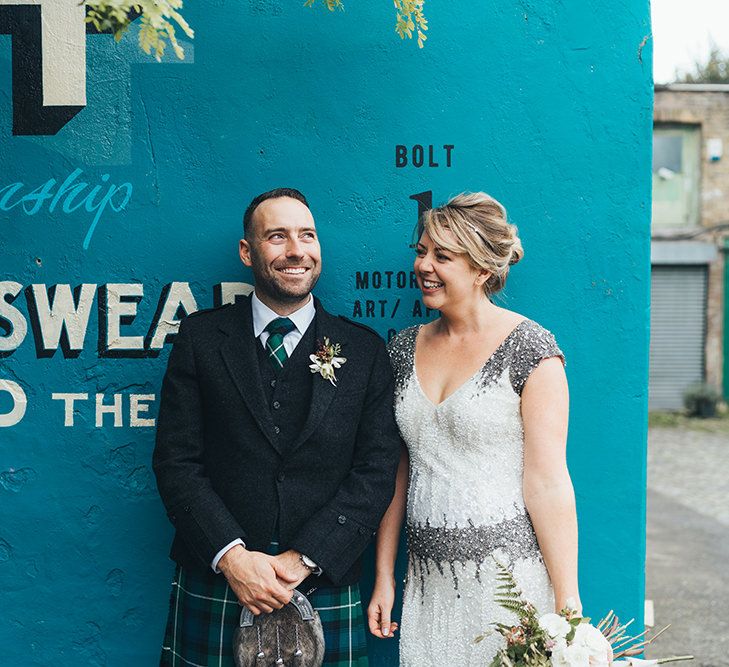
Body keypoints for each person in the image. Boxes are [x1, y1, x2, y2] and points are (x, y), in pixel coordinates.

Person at [153, 187, 401, 666]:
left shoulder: (365, 350)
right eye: (277, 237)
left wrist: (301, 560)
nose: (296, 251)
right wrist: (233, 559)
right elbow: (176, 460)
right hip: (220, 579)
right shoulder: (201, 339)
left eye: (307, 236)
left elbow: (375, 472)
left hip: (322, 578)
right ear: (247, 251)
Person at [366, 192, 580, 665]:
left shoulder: (531, 349)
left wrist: (568, 606)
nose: (424, 265)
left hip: (508, 590)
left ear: (482, 269)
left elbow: (548, 482)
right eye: (421, 251)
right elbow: (396, 472)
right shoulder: (401, 351)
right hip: (428, 585)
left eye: (442, 256)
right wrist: (384, 572)